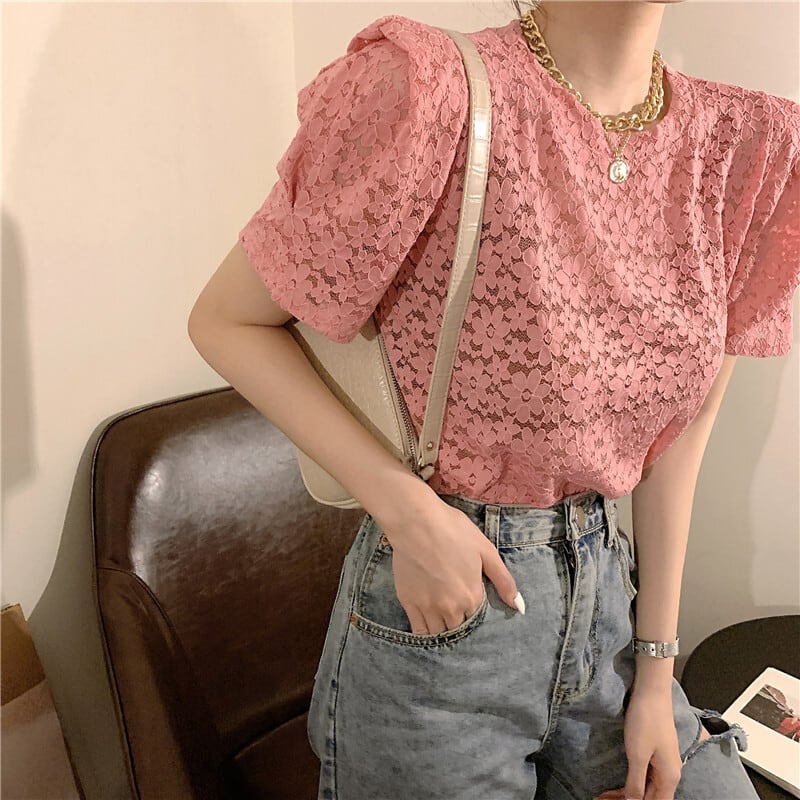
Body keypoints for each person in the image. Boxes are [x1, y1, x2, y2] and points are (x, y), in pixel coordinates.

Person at [187, 1, 800, 798]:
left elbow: (680, 440)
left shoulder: (744, 147)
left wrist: (656, 673)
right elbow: (227, 321)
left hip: (611, 614)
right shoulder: (430, 89)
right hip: (443, 619)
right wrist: (409, 513)